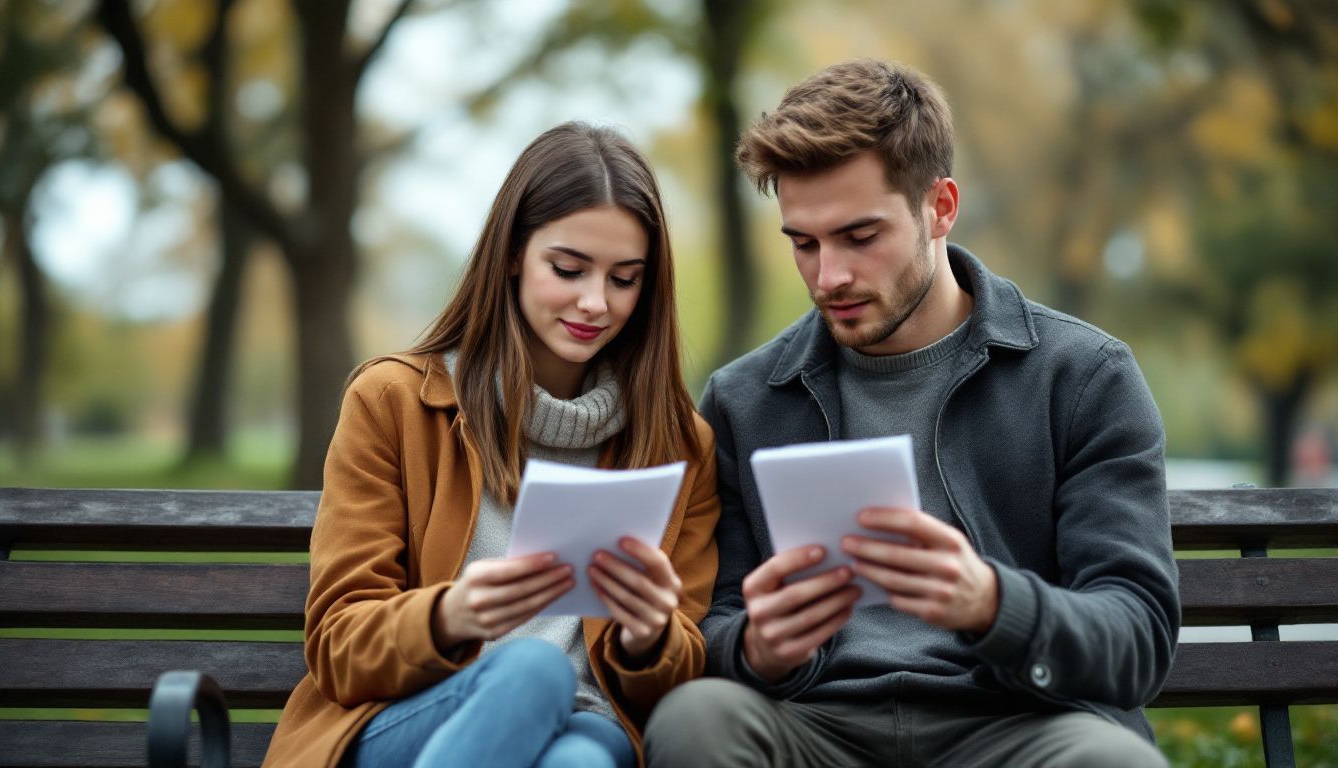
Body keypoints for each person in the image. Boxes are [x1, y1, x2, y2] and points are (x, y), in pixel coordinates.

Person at [644, 60, 1179, 768]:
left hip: (1015, 725)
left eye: (860, 237)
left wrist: (994, 604)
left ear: (941, 207)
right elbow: (700, 625)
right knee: (697, 719)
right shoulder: (744, 400)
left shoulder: (1082, 377)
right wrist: (755, 649)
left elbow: (1137, 637)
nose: (828, 276)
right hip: (815, 727)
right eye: (803, 242)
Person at [262, 122, 720, 768]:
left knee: (580, 763)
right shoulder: (394, 401)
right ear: (512, 253)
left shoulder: (679, 444)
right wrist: (452, 615)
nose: (596, 302)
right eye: (568, 268)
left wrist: (650, 637)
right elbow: (340, 645)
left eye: (625, 279)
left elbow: (678, 678)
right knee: (533, 669)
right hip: (411, 716)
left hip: (587, 725)